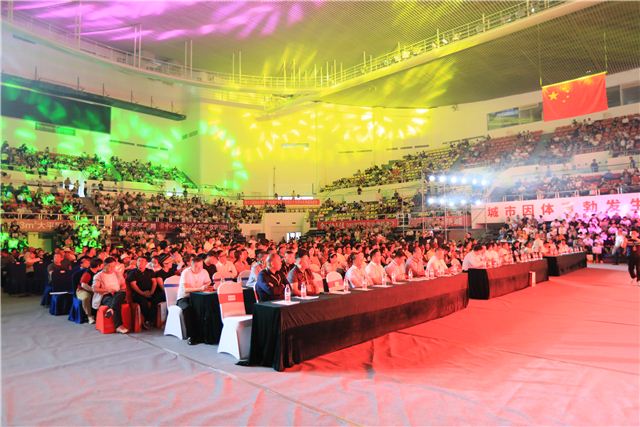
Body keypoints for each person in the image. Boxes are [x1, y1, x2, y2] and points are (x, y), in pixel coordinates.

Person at [176, 255, 212, 345]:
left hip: (198, 297)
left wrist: (207, 286)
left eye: (201, 266)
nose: (199, 269)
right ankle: (191, 336)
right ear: (191, 265)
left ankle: (205, 335)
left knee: (207, 307)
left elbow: (208, 282)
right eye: (196, 266)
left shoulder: (204, 271)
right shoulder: (186, 272)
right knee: (188, 309)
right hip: (184, 297)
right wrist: (201, 288)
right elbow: (186, 289)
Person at [92, 257, 128, 334]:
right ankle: (119, 326)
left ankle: (111, 309)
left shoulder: (117, 273)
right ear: (104, 265)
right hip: (105, 295)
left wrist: (118, 290)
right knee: (115, 303)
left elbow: (123, 285)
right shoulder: (98, 276)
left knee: (121, 294)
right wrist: (108, 290)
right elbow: (95, 289)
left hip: (118, 293)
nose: (112, 268)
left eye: (113, 266)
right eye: (109, 266)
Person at [127, 256, 165, 329]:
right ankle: (149, 320)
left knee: (156, 299)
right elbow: (133, 285)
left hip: (150, 292)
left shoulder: (150, 271)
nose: (140, 263)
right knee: (143, 302)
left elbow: (154, 282)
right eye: (139, 261)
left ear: (146, 263)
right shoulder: (132, 272)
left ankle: (149, 320)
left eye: (142, 261)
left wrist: (151, 292)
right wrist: (142, 293)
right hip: (138, 294)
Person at [77, 258, 103, 324]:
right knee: (86, 297)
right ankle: (89, 316)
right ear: (98, 266)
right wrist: (93, 290)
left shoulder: (99, 272)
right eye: (102, 265)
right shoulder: (87, 273)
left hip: (93, 289)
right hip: (82, 290)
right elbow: (83, 285)